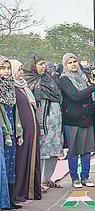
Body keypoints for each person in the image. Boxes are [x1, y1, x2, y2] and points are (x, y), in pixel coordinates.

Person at [24, 55, 63, 191]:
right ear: (33, 66)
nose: (43, 66)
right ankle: (38, 181)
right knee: (40, 150)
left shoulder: (49, 79)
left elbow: (58, 96)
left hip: (54, 122)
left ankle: (48, 179)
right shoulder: (29, 80)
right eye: (40, 64)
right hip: (41, 122)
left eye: (44, 63)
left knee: (53, 150)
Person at [58, 53, 95, 188]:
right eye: (70, 62)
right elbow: (75, 96)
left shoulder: (83, 77)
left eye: (75, 61)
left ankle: (85, 177)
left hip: (87, 118)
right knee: (74, 150)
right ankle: (75, 178)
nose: (73, 64)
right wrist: (92, 87)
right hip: (72, 120)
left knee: (86, 150)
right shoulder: (64, 79)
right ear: (65, 65)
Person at [11, 59, 42, 201]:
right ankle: (20, 192)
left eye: (22, 69)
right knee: (21, 160)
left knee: (32, 158)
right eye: (18, 70)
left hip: (31, 131)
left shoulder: (25, 88)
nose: (21, 72)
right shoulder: (11, 88)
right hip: (20, 132)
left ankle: (32, 191)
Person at [0, 57, 22, 209]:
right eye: (3, 68)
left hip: (12, 127)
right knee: (4, 163)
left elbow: (15, 111)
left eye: (8, 68)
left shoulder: (10, 85)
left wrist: (18, 131)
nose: (7, 71)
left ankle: (9, 199)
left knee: (10, 163)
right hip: (3, 128)